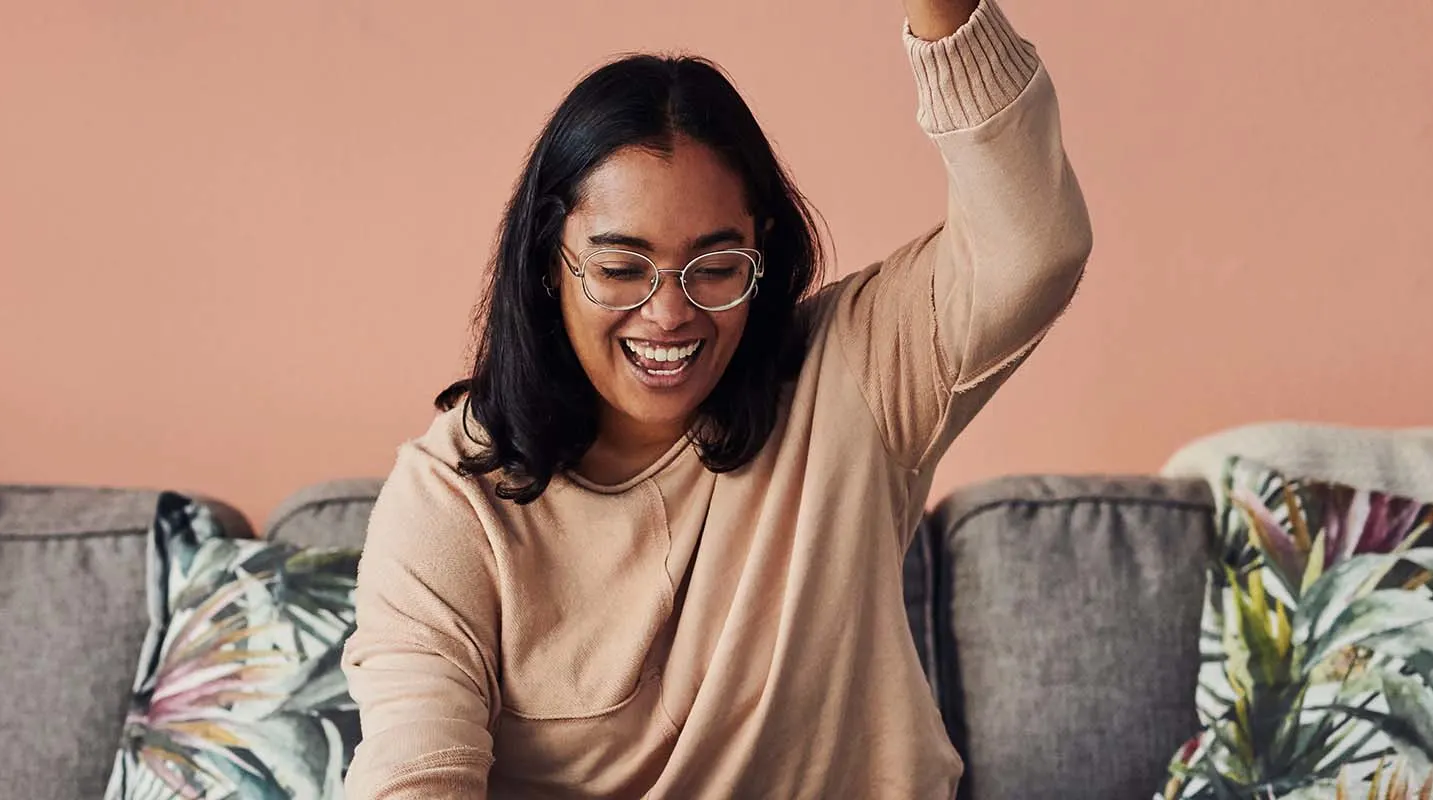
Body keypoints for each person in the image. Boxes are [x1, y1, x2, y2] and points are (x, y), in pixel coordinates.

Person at [342, 0, 1089, 795]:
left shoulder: (848, 374)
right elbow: (412, 772)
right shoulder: (450, 504)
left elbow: (1032, 244)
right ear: (545, 266)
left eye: (716, 266)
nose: (670, 314)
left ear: (761, 254)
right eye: (622, 269)